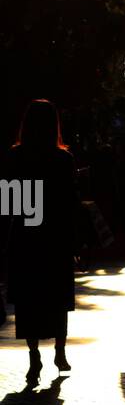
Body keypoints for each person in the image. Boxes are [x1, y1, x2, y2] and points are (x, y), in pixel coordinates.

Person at [2, 99, 77, 385]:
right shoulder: (63, 159)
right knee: (58, 298)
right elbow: (69, 203)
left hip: (26, 237)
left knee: (28, 301)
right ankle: (60, 349)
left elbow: (9, 202)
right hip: (55, 238)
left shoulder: (16, 157)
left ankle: (33, 355)